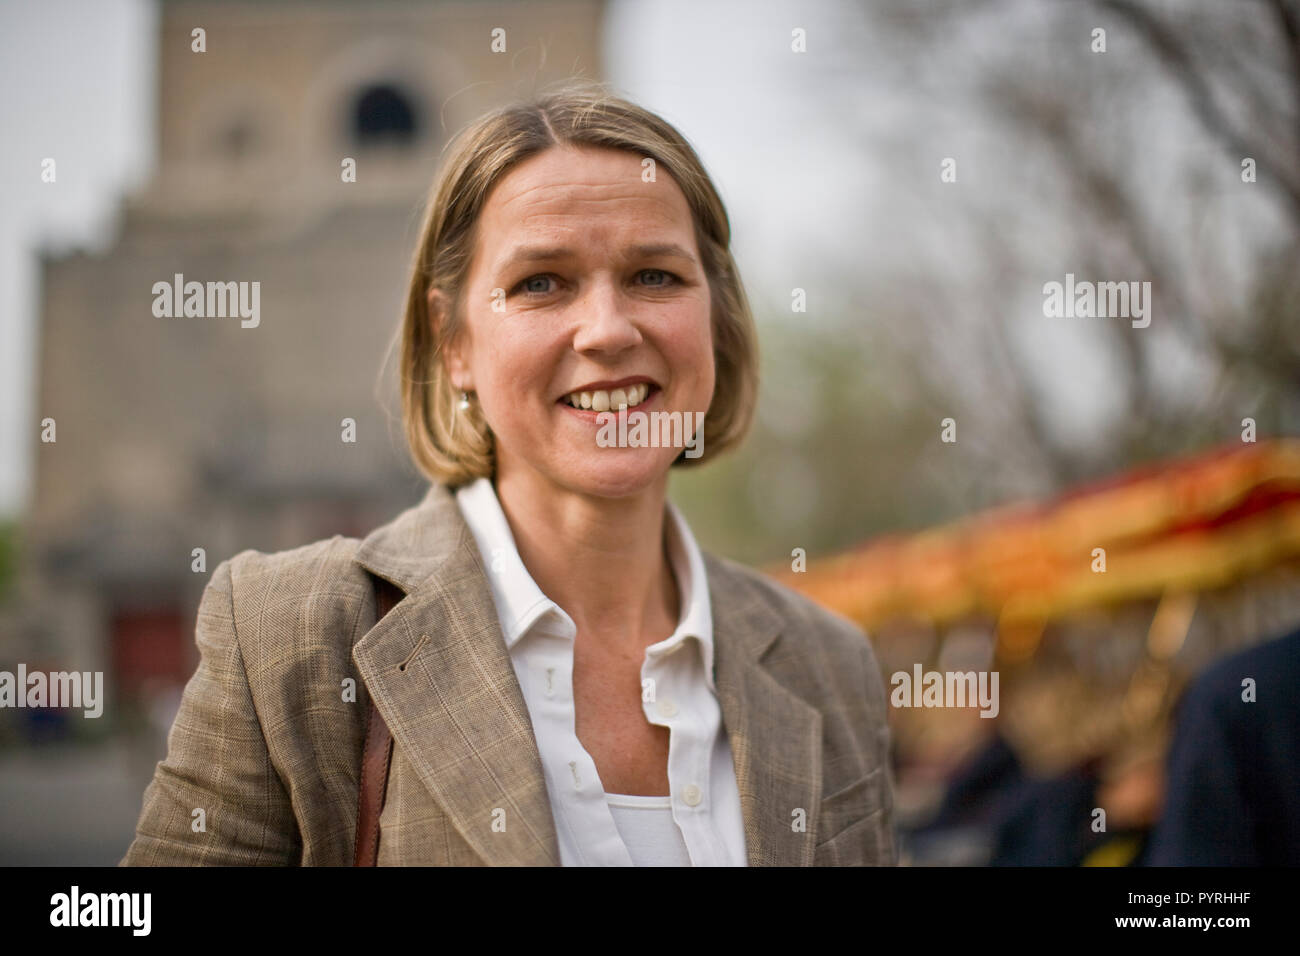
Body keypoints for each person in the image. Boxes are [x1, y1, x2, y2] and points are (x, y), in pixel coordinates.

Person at [120, 80, 896, 866]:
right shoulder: (291, 634)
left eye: (655, 275)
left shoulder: (828, 666)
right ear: (453, 341)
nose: (607, 330)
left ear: (717, 321)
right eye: (541, 283)